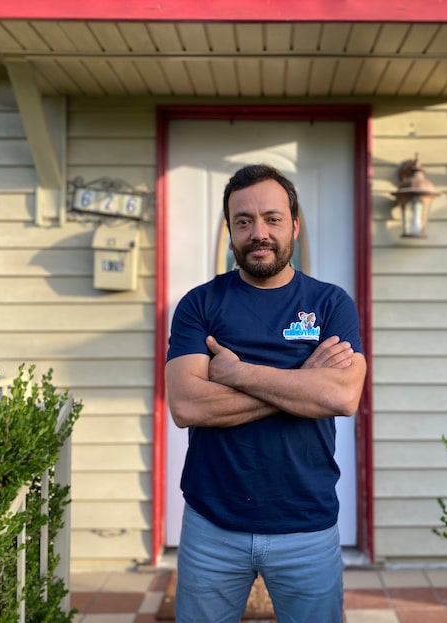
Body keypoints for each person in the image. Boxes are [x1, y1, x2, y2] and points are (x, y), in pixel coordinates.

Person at [164, 163, 367, 623]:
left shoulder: (330, 303)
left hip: (307, 526)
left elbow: (341, 397)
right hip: (212, 525)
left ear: (294, 225)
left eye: (272, 218)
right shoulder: (200, 304)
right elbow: (187, 404)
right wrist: (302, 379)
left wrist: (237, 373)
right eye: (244, 221)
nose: (259, 233)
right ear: (230, 231)